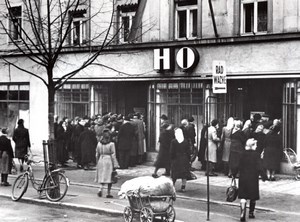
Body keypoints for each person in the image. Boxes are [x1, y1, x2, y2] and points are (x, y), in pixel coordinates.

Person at [238, 138, 267, 221]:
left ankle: (242, 213)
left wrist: (234, 173)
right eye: (255, 145)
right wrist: (264, 176)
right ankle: (251, 213)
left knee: (243, 196)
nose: (257, 146)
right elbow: (259, 167)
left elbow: (238, 165)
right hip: (253, 178)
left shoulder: (242, 154)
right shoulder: (256, 155)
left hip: (243, 177)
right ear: (252, 146)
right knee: (252, 196)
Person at [95, 130, 119, 198]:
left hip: (101, 159)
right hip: (108, 160)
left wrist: (97, 162)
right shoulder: (111, 144)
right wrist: (115, 164)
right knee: (110, 177)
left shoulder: (99, 143)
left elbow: (96, 154)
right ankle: (108, 193)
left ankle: (100, 188)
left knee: (102, 176)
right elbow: (113, 155)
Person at [170, 128, 191, 192]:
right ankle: (183, 187)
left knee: (174, 174)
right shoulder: (185, 141)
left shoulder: (173, 141)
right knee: (184, 174)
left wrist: (171, 158)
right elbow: (188, 151)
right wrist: (189, 159)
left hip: (176, 159)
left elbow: (172, 151)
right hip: (184, 158)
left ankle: (173, 186)